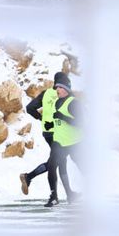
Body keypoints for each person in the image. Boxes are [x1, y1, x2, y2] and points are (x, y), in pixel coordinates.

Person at [19, 71, 69, 206]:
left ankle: (69, 194)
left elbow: (30, 108)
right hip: (59, 132)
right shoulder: (64, 94)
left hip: (47, 132)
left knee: (60, 161)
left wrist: (41, 118)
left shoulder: (46, 93)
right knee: (56, 161)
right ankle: (28, 177)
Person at [48, 79, 82, 206]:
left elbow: (80, 123)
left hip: (74, 143)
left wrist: (63, 117)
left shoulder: (74, 103)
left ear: (67, 89)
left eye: (60, 88)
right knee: (52, 167)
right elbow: (59, 122)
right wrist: (52, 124)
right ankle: (53, 196)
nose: (57, 90)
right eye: (56, 88)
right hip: (59, 142)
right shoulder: (57, 103)